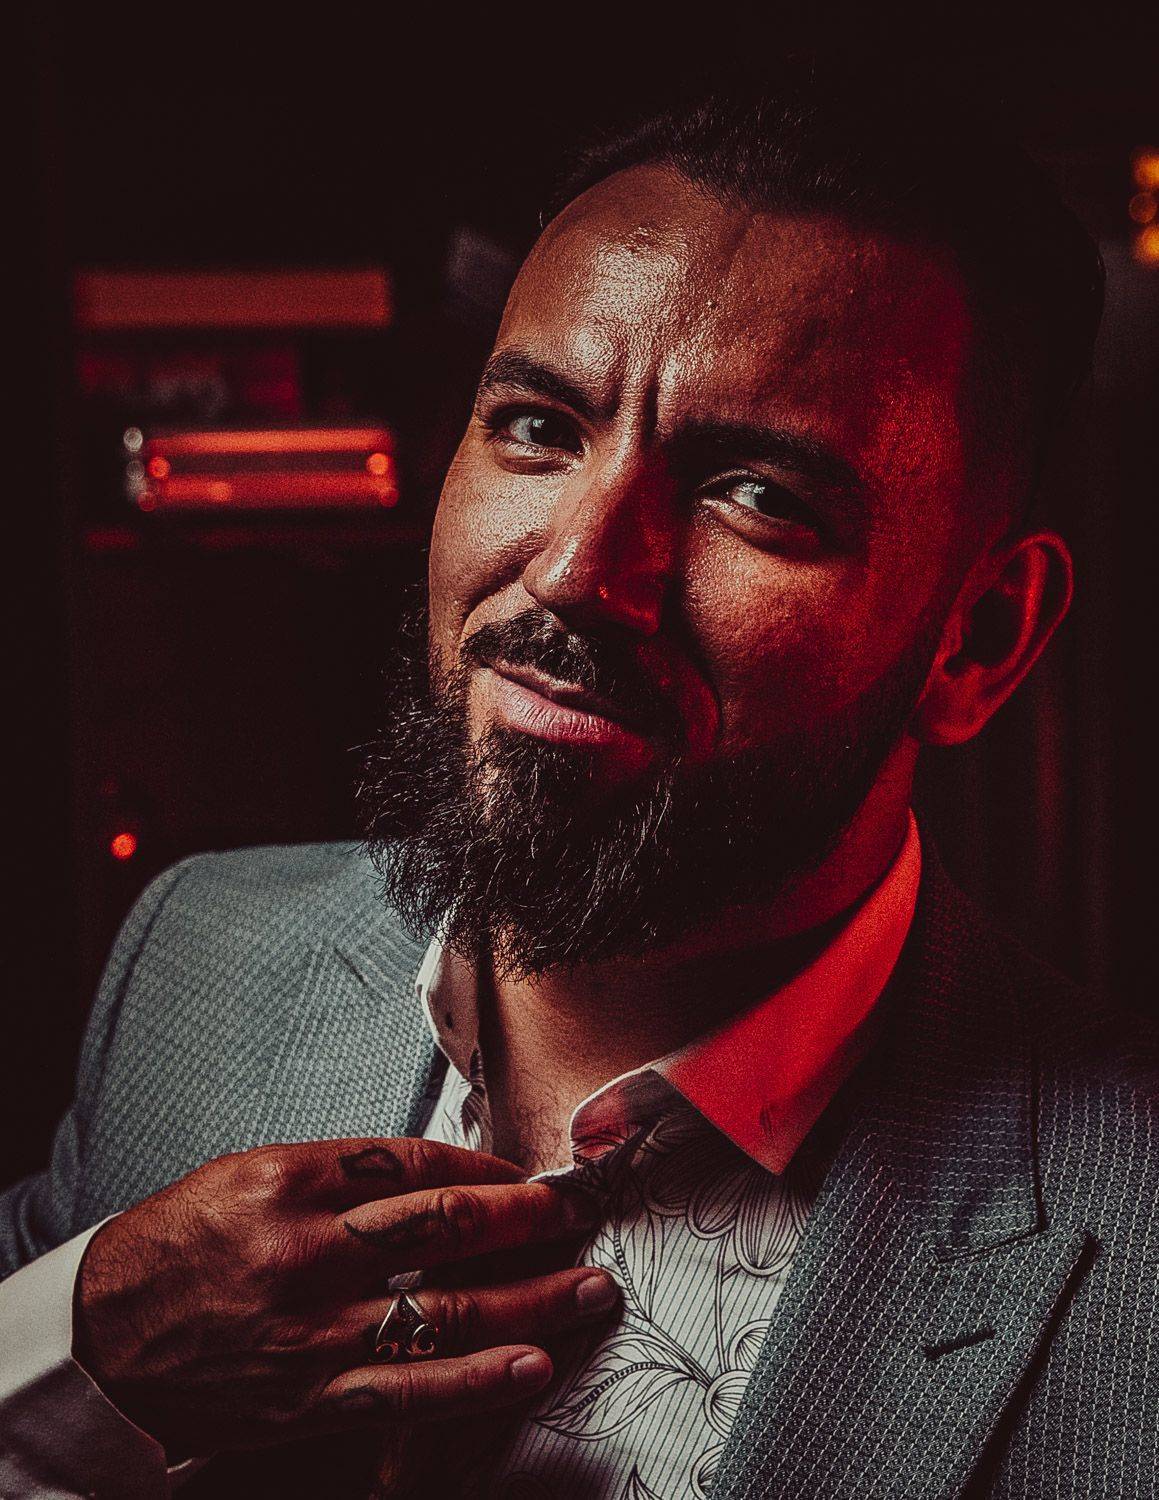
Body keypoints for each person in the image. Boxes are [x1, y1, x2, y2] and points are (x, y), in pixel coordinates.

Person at [2, 83, 1154, 1499]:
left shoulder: (1133, 1238)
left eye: (760, 496)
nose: (574, 570)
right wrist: (80, 1348)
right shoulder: (200, 955)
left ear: (977, 642)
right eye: (539, 427)